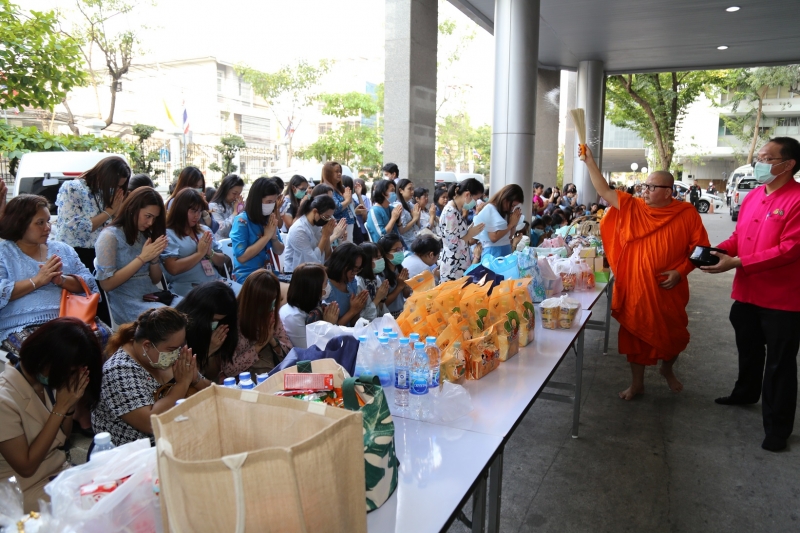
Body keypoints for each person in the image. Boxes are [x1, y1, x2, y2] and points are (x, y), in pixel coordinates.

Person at [582, 146, 710, 401]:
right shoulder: (633, 206)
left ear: (668, 192)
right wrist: (589, 161)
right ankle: (637, 384)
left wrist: (681, 271)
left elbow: (701, 250)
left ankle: (667, 368)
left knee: (675, 336)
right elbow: (604, 191)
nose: (645, 191)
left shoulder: (686, 214)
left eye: (652, 187)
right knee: (635, 337)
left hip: (668, 288)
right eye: (644, 186)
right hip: (637, 287)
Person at [702, 137, 800, 452]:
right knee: (749, 350)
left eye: (767, 157)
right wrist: (719, 251)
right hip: (746, 293)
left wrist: (738, 261)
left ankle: (777, 428)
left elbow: (789, 249)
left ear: (788, 164)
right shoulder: (755, 195)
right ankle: (745, 392)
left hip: (782, 299)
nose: (759, 162)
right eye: (759, 156)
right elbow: (738, 236)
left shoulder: (797, 200)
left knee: (780, 364)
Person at [0, 318, 101, 512]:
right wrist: (61, 408)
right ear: (45, 360)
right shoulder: (4, 400)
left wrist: (69, 405)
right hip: (21, 489)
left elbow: (62, 440)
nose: (71, 377)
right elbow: (26, 466)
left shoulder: (49, 381)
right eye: (71, 371)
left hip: (57, 472)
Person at [92, 307, 212, 446]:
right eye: (172, 349)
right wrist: (182, 385)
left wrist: (195, 379)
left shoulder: (168, 354)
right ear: (147, 345)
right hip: (135, 454)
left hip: (178, 436)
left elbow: (209, 389)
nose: (177, 353)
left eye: (180, 346)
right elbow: (151, 423)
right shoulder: (118, 371)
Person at [0, 195, 102, 357]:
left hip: (71, 319)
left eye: (48, 221)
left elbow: (88, 284)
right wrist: (38, 281)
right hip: (22, 325)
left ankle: (86, 382)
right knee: (50, 354)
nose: (47, 227)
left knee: (104, 338)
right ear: (20, 223)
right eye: (40, 223)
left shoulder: (62, 249)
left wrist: (61, 280)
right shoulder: (3, 252)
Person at [95, 187, 169, 325]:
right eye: (148, 216)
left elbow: (155, 279)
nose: (151, 223)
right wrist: (142, 258)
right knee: (168, 318)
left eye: (155, 218)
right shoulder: (109, 236)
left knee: (193, 308)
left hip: (151, 296)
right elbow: (106, 284)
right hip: (125, 300)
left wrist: (153, 260)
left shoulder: (144, 235)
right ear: (132, 209)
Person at [54, 156, 130, 271]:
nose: (115, 188)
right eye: (114, 184)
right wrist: (109, 212)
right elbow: (77, 228)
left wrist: (117, 212)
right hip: (74, 252)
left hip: (101, 251)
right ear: (105, 177)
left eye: (120, 186)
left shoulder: (110, 193)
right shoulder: (73, 188)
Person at [226, 269, 292, 377]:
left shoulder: (272, 314)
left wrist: (272, 340)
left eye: (273, 302)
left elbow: (289, 352)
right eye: (264, 304)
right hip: (246, 381)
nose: (269, 308)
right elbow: (229, 369)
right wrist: (260, 344)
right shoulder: (233, 321)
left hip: (272, 372)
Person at [161, 189, 228, 296]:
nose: (197, 216)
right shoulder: (168, 234)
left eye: (199, 211)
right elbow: (173, 268)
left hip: (216, 283)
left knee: (244, 296)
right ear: (180, 210)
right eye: (193, 211)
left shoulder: (204, 230)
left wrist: (210, 253)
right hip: (189, 288)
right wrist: (199, 254)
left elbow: (221, 261)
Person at [175, 282, 238, 382]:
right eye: (213, 320)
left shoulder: (215, 330)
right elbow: (187, 378)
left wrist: (213, 351)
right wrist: (209, 350)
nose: (216, 324)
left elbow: (212, 375)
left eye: (219, 321)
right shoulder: (177, 332)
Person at [230, 177, 285, 280]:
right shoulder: (241, 221)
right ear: (257, 200)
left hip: (268, 273)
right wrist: (266, 237)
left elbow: (279, 250)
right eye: (268, 202)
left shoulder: (269, 219)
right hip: (248, 276)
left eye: (273, 202)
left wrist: (273, 238)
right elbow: (242, 257)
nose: (271, 205)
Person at [279, 263, 340, 348]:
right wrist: (327, 325)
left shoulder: (314, 304)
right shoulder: (293, 317)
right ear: (314, 289)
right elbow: (308, 352)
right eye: (326, 283)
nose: (329, 286)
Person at [283, 194, 346, 273]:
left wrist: (328, 235)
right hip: (297, 274)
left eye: (330, 217)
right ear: (315, 211)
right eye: (326, 217)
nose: (328, 220)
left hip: (315, 271)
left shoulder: (318, 224)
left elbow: (327, 256)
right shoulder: (299, 229)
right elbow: (311, 261)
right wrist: (325, 236)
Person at [438, 178, 485, 281]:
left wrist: (474, 226)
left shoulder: (455, 210)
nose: (476, 203)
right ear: (467, 195)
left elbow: (458, 233)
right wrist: (470, 234)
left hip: (458, 266)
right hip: (453, 269)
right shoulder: (450, 212)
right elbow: (452, 244)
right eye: (476, 199)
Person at [473, 184, 524, 259]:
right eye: (512, 205)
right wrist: (510, 224)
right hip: (493, 253)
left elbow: (509, 236)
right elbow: (494, 238)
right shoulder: (489, 208)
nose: (512, 208)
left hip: (506, 250)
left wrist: (514, 224)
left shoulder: (505, 211)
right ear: (505, 199)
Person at [324, 243, 369, 326]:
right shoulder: (325, 288)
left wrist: (358, 308)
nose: (354, 274)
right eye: (353, 270)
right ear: (340, 264)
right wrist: (352, 311)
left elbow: (353, 324)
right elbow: (330, 328)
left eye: (358, 270)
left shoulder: (352, 282)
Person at [321, 161, 363, 242]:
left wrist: (353, 198)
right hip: (338, 226)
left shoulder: (342, 187)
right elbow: (334, 209)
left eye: (340, 171)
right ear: (328, 173)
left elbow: (352, 205)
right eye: (336, 172)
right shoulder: (326, 189)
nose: (339, 174)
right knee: (343, 251)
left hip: (350, 223)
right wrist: (347, 200)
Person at [376, 234, 411, 318]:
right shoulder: (380, 274)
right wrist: (399, 287)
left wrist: (405, 285)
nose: (400, 252)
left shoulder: (399, 269)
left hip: (401, 312)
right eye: (397, 250)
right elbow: (383, 303)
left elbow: (406, 295)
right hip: (388, 315)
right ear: (386, 253)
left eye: (401, 249)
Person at [357, 243, 391, 321]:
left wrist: (382, 300)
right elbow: (363, 318)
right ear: (367, 260)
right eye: (377, 257)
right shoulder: (358, 282)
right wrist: (377, 298)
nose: (381, 260)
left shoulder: (376, 279)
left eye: (381, 257)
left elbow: (382, 315)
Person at [208, 174, 245, 240]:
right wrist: (235, 213)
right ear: (225, 190)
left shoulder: (236, 204)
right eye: (234, 193)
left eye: (239, 194)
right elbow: (221, 230)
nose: (236, 197)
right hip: (221, 246)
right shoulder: (213, 206)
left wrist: (241, 210)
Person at [392, 178, 422, 245]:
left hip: (416, 238)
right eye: (409, 189)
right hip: (406, 242)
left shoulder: (410, 204)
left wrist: (418, 217)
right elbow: (402, 231)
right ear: (401, 190)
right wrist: (414, 219)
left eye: (413, 189)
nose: (412, 192)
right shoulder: (398, 206)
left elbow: (418, 225)